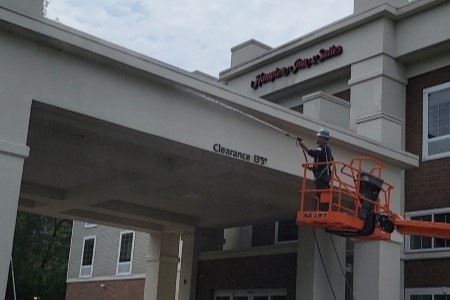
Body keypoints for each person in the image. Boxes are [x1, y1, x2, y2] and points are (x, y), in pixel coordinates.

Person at [297, 128, 334, 210]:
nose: (317, 138)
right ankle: (324, 210)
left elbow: (313, 153)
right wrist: (313, 168)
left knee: (322, 196)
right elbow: (330, 161)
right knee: (323, 195)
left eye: (319, 137)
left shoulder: (322, 147)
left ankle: (324, 211)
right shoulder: (326, 149)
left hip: (322, 178)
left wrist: (303, 145)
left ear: (324, 139)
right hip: (324, 177)